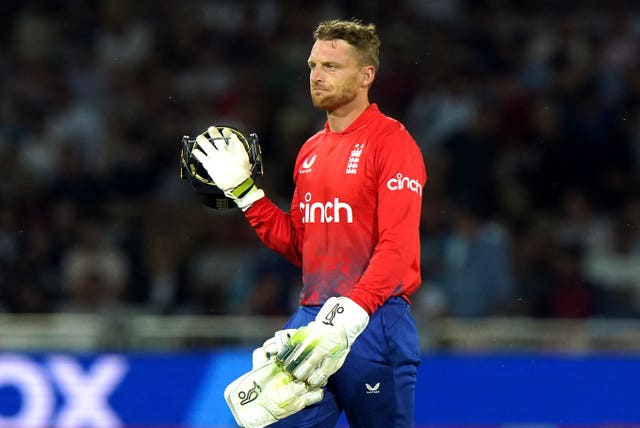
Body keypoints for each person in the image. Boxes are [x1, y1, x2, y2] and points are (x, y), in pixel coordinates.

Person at [192, 18, 426, 428]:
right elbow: (302, 245)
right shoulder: (310, 151)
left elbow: (398, 247)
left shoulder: (393, 143)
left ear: (366, 75)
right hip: (313, 319)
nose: (317, 76)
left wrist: (351, 315)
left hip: (372, 322)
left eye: (331, 67)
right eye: (313, 66)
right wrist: (246, 194)